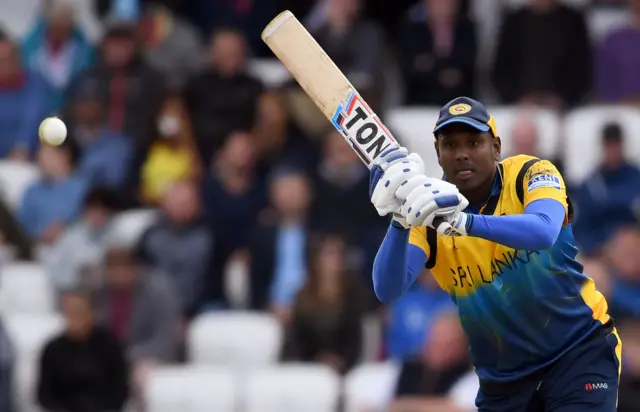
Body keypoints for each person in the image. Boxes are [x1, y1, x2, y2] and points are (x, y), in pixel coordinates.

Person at [370, 96, 621, 411]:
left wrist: (465, 222)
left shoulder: (530, 173)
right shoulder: (428, 215)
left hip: (577, 350)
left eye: (474, 142)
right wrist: (399, 221)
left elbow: (543, 231)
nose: (462, 154)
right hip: (503, 376)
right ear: (438, 153)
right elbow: (387, 288)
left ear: (497, 147)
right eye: (450, 145)